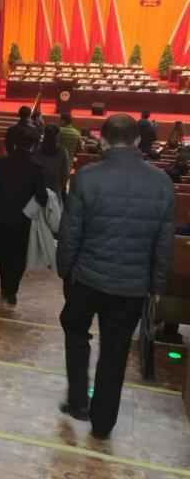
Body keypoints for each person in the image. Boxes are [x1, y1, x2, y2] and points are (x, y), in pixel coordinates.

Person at [57, 114, 175, 439]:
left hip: (86, 278)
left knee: (75, 331)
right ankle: (103, 422)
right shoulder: (161, 182)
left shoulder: (86, 177)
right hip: (132, 286)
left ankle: (78, 400)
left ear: (102, 141)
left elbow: (69, 233)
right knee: (115, 350)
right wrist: (158, 285)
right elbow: (164, 241)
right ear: (137, 141)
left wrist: (65, 271)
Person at [0, 128, 48, 304]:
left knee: (3, 252)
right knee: (19, 254)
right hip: (23, 219)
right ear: (33, 145)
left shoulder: (0, 162)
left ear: (14, 143)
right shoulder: (37, 167)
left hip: (0, 215)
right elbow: (42, 197)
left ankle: (4, 285)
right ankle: (12, 289)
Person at [31, 124, 70, 204]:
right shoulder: (62, 151)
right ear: (58, 136)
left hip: (37, 191)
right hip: (56, 190)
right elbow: (66, 174)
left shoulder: (36, 150)